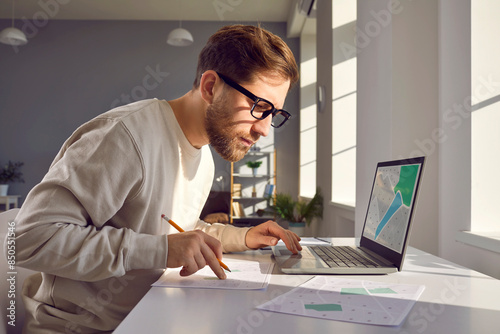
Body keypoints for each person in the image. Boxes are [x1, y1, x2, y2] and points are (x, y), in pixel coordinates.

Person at [14, 24, 301, 333]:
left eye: (275, 114)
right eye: (259, 107)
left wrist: (243, 238)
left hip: (153, 317)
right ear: (210, 87)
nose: (263, 130)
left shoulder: (203, 156)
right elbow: (30, 238)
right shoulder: (124, 136)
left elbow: (175, 230)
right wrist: (160, 251)